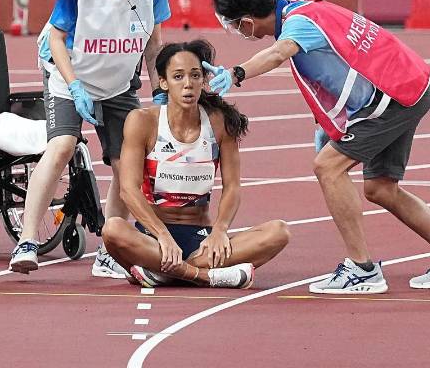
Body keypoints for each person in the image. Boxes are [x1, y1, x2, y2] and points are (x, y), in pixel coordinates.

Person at [205, 0, 430, 294]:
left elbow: (278, 53)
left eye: (233, 25)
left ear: (247, 23)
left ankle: (362, 270)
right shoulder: (302, 7)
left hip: (392, 95)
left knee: (328, 167)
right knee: (381, 188)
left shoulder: (299, 24)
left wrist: (236, 73)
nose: (235, 31)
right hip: (407, 86)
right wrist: (326, 126)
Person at [9, 0, 171, 278]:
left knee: (127, 164)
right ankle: (27, 241)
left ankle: (110, 252)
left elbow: (154, 42)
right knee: (62, 146)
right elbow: (56, 38)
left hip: (118, 82)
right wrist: (75, 86)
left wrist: (161, 89)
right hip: (71, 73)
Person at [102, 40, 290, 288]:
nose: (188, 84)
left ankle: (164, 272)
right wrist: (162, 235)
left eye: (195, 75)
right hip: (153, 237)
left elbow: (232, 187)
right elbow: (128, 189)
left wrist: (220, 230)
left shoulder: (219, 123)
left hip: (200, 239)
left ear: (203, 80)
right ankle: (203, 276)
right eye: (178, 76)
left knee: (279, 232)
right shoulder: (142, 121)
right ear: (163, 82)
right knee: (113, 230)